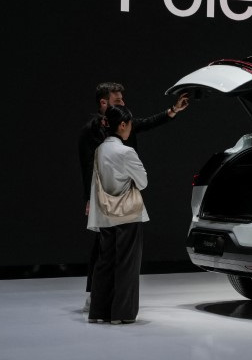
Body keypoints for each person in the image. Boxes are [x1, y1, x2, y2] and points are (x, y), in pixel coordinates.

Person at [78, 82, 188, 311]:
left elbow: (146, 123)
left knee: (109, 250)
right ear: (104, 102)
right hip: (107, 196)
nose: (123, 104)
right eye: (118, 101)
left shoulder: (119, 131)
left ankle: (105, 303)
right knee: (105, 250)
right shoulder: (95, 133)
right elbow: (88, 168)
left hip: (120, 195)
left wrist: (172, 111)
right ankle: (103, 299)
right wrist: (90, 198)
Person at [87, 105, 148, 324]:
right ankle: (121, 314)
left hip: (105, 213)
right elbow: (143, 181)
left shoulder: (100, 149)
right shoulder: (126, 151)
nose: (130, 129)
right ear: (122, 125)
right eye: (129, 125)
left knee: (105, 262)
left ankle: (99, 312)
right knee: (127, 263)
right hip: (127, 214)